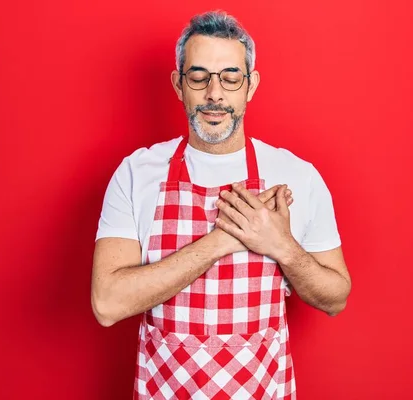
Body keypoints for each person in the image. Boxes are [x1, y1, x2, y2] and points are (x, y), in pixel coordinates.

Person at [91, 10, 352, 400]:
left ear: (250, 86)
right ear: (179, 85)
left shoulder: (297, 175)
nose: (215, 94)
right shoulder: (136, 174)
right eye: (199, 78)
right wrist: (223, 240)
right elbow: (107, 303)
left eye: (230, 78)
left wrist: (281, 245)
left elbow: (336, 298)